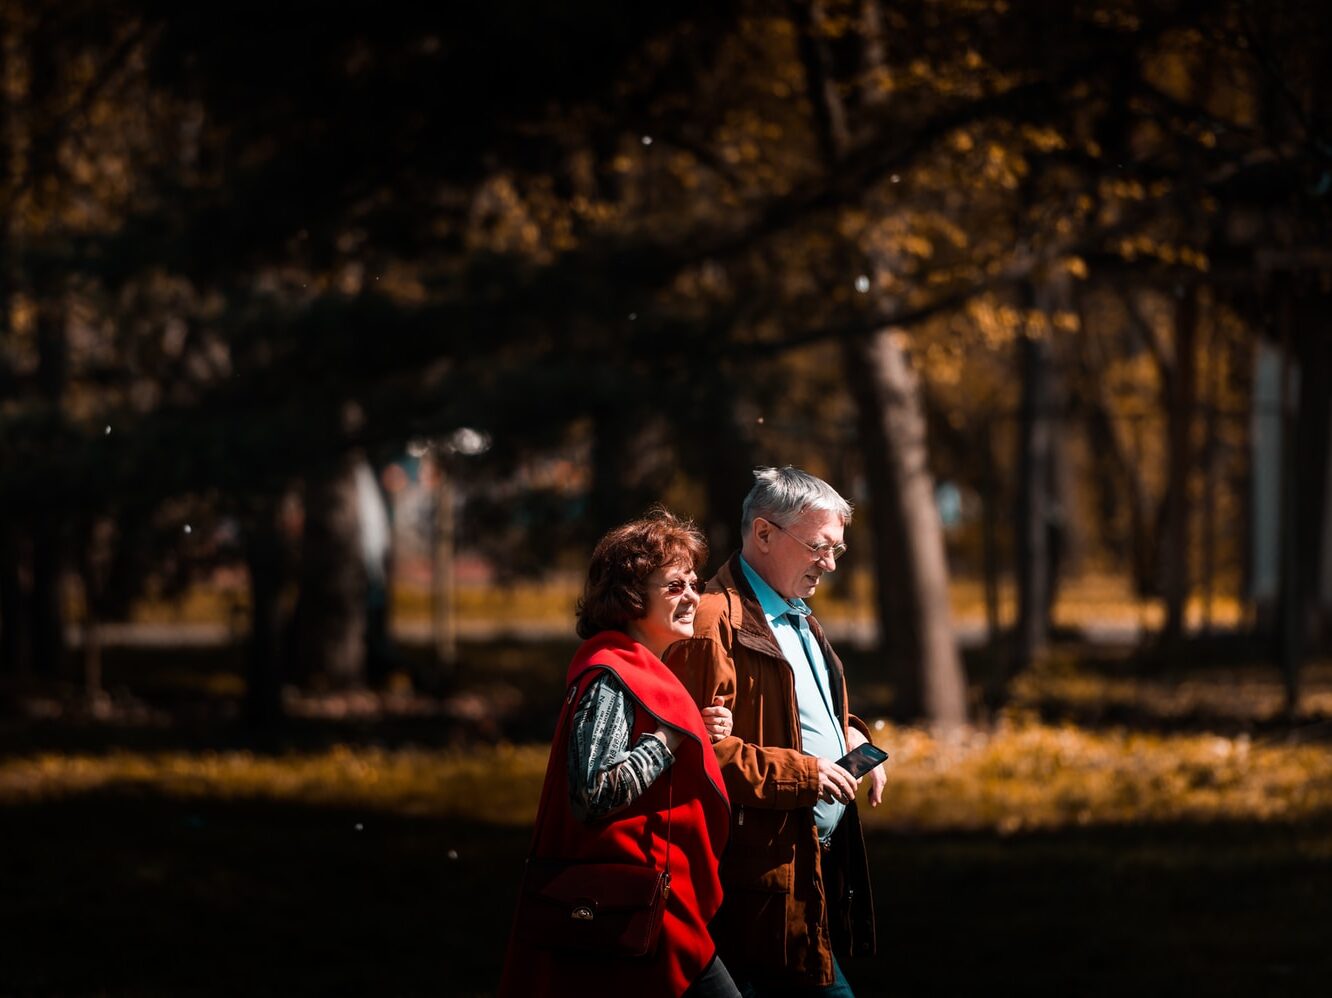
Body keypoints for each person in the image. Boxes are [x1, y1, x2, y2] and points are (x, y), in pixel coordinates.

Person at [499, 509, 740, 998]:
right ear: (631, 597)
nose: (693, 596)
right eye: (675, 586)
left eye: (694, 583)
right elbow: (592, 792)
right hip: (632, 908)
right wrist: (672, 737)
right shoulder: (612, 675)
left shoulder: (635, 670)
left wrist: (691, 728)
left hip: (643, 904)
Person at [665, 467, 884, 997]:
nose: (829, 564)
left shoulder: (797, 613)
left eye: (837, 549)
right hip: (753, 884)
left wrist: (852, 737)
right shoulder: (712, 618)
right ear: (764, 534)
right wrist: (808, 774)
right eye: (817, 547)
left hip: (806, 872)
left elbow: (803, 710)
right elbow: (696, 751)